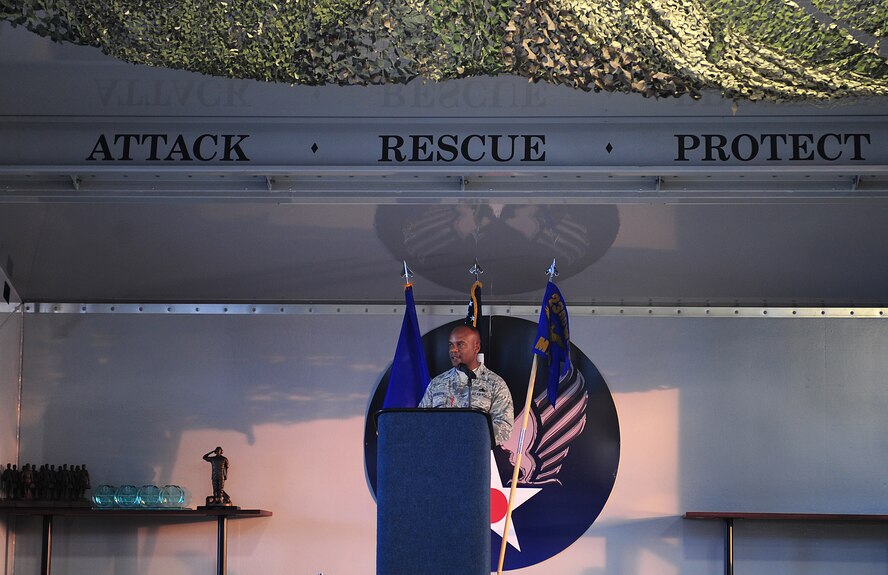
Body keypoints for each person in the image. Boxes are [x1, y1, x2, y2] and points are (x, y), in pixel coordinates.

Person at [419, 325, 513, 445]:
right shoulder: (437, 383)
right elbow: (421, 420)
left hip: (476, 456)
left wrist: (470, 438)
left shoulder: (495, 384)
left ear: (476, 347)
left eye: (460, 344)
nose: (453, 350)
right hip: (440, 455)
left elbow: (504, 427)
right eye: (450, 345)